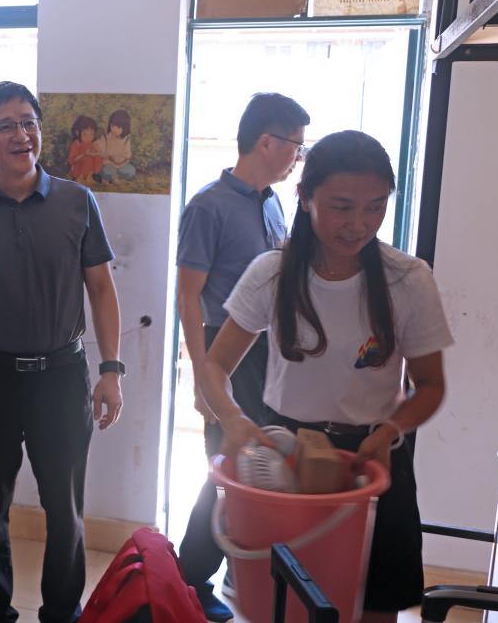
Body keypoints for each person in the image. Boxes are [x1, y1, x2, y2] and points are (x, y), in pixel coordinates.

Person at [200, 130, 453, 623]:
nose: (359, 224)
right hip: (287, 455)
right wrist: (231, 419)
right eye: (341, 207)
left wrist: (390, 431)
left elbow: (431, 385)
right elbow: (214, 365)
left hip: (372, 457)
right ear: (305, 196)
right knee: (283, 604)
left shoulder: (408, 279)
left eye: (375, 207)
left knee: (375, 606)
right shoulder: (272, 273)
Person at [0, 81, 124, 623]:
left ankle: (62, 612)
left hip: (62, 376)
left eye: (29, 122)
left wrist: (111, 370)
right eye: (6, 126)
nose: (22, 135)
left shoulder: (76, 202)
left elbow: (102, 288)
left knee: (65, 508)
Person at [176, 92, 310, 621]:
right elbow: (188, 296)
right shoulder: (208, 206)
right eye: (296, 145)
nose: (298, 156)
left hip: (273, 353)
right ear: (266, 142)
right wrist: (200, 375)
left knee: (263, 467)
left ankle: (244, 571)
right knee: (227, 472)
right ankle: (190, 579)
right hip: (226, 352)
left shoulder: (273, 202)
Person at [95, 109, 135, 182]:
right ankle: (112, 177)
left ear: (125, 128)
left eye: (118, 127)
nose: (114, 129)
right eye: (112, 126)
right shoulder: (107, 137)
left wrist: (119, 161)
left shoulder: (126, 139)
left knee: (131, 171)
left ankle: (115, 176)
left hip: (121, 165)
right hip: (108, 164)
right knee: (107, 170)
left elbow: (127, 155)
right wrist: (99, 147)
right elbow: (100, 148)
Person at [67, 114, 104, 184]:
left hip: (89, 169)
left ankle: (89, 176)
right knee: (86, 158)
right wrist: (83, 154)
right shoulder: (76, 144)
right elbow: (72, 160)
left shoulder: (92, 144)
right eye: (85, 134)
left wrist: (96, 153)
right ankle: (79, 177)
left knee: (99, 158)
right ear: (77, 133)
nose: (88, 137)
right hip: (78, 168)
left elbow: (98, 154)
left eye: (91, 134)